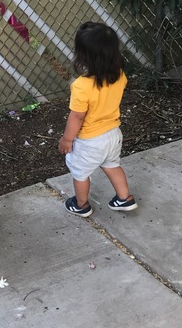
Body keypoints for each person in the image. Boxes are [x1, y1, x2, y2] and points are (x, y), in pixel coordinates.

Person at [58, 21, 137, 217]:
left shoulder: (81, 86)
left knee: (80, 173)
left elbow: (77, 116)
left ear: (83, 56)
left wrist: (67, 139)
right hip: (113, 134)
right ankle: (125, 198)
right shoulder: (120, 75)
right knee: (112, 165)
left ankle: (81, 204)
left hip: (90, 141)